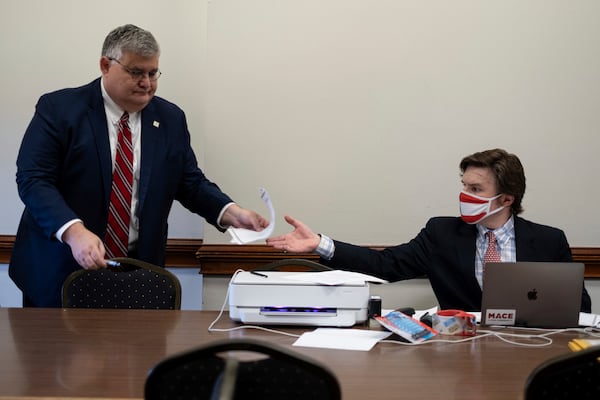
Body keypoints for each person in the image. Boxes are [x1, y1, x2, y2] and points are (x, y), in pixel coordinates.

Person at [11, 24, 268, 307]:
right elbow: (34, 180)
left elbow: (189, 182)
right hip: (59, 273)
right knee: (54, 352)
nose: (147, 83)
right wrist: (74, 232)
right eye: (136, 73)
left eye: (153, 73)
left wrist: (230, 212)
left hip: (139, 277)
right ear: (105, 65)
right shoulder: (59, 109)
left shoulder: (170, 118)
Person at [267, 148, 592, 313]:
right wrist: (321, 244)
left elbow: (580, 308)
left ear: (506, 199)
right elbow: (385, 266)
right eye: (464, 185)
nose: (465, 195)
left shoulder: (549, 241)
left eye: (476, 189)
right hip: (458, 354)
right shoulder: (442, 234)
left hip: (530, 354)